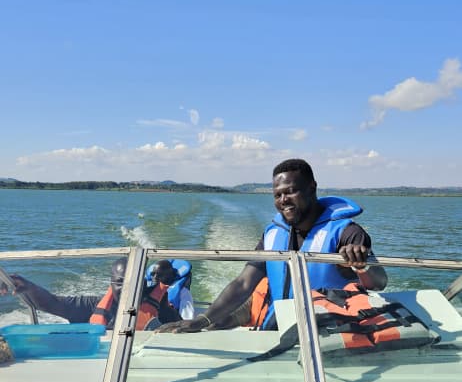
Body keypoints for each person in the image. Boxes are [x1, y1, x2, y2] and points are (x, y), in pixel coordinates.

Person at [156, 158, 387, 333]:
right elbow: (244, 283)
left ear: (312, 188)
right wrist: (202, 320)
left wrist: (361, 264)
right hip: (279, 330)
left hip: (331, 334)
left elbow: (379, 282)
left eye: (290, 192)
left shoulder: (347, 233)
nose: (283, 200)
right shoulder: (272, 235)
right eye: (277, 195)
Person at [7, 257, 192, 329]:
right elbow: (52, 303)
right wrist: (27, 286)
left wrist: (162, 300)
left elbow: (180, 326)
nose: (127, 288)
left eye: (133, 282)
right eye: (120, 283)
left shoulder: (157, 304)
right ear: (111, 284)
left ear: (142, 282)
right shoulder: (92, 306)